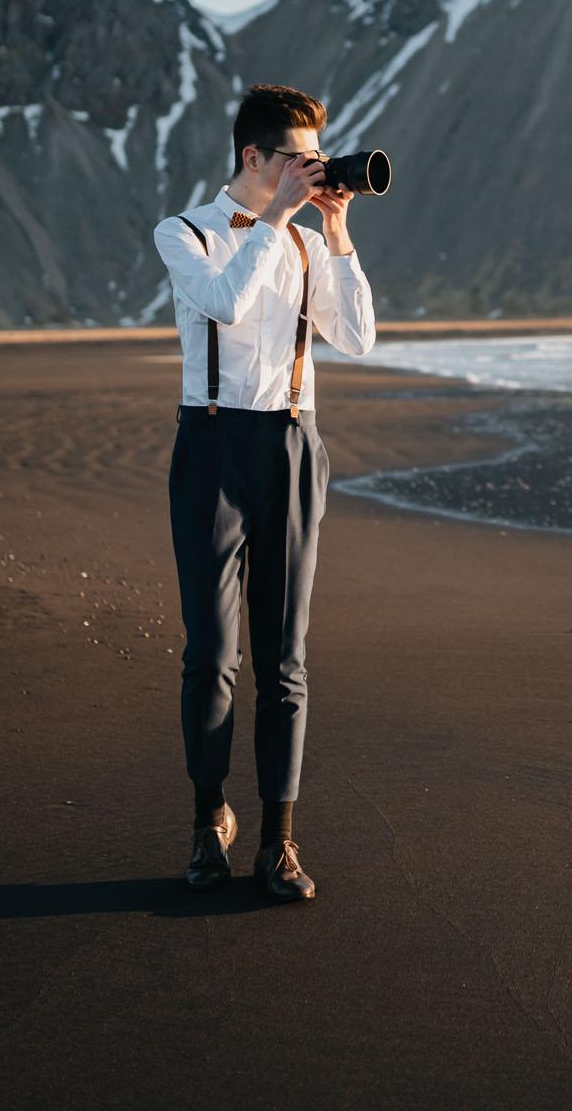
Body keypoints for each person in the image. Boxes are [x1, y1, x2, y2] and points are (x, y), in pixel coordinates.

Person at [152, 83, 377, 901]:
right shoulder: (184, 233)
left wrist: (335, 230)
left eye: (317, 158)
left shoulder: (309, 243)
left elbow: (355, 338)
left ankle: (278, 842)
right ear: (254, 157)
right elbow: (224, 302)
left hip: (289, 440)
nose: (311, 170)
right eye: (296, 158)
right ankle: (208, 817)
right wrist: (277, 221)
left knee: (285, 659)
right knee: (210, 654)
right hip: (209, 443)